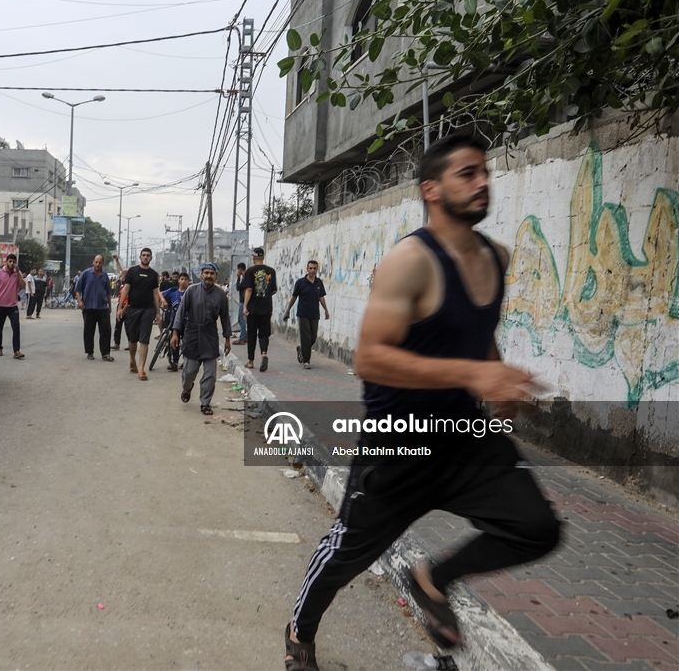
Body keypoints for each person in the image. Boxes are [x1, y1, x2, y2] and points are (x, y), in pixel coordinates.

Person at [285, 132, 560, 670]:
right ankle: (300, 630)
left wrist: (498, 382)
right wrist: (475, 373)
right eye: (468, 174)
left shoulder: (495, 257)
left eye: (485, 173)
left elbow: (476, 333)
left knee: (536, 526)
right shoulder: (409, 261)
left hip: (464, 438)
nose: (483, 183)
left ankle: (434, 577)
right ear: (430, 189)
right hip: (399, 443)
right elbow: (371, 359)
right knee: (347, 552)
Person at [171, 263, 231, 415]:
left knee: (210, 374)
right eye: (206, 273)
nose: (209, 276)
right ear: (201, 274)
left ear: (216, 276)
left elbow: (225, 318)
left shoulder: (220, 295)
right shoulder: (191, 290)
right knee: (189, 371)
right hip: (192, 332)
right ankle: (187, 387)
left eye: (212, 273)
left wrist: (227, 339)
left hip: (210, 334)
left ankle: (205, 403)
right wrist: (175, 333)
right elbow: (181, 312)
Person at [117, 248, 167, 380]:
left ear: (151, 258)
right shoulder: (132, 272)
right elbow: (126, 289)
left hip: (148, 310)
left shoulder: (153, 275)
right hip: (133, 309)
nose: (145, 257)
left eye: (148, 256)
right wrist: (120, 307)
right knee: (133, 339)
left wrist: (157, 312)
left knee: (144, 339)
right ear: (140, 257)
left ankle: (141, 369)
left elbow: (155, 293)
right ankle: (132, 359)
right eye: (143, 255)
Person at [282, 260, 330, 370]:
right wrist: (287, 310)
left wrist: (326, 310)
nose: (312, 270)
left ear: (317, 270)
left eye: (314, 268)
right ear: (307, 269)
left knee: (313, 337)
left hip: (314, 314)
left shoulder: (319, 283)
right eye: (310, 268)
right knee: (306, 337)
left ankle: (301, 350)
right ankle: (306, 361)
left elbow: (321, 297)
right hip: (303, 313)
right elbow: (294, 297)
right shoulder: (300, 282)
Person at [240, 247, 277, 372]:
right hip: (266, 307)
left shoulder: (250, 271)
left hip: (253, 308)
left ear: (254, 258)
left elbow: (249, 289)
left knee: (251, 334)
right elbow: (274, 290)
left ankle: (250, 361)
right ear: (263, 257)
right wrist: (265, 296)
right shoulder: (271, 271)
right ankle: (264, 353)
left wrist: (245, 306)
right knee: (264, 333)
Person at [74, 255, 115, 362]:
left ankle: (105, 353)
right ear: (93, 262)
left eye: (100, 262)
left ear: (103, 263)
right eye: (96, 262)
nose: (98, 264)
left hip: (102, 308)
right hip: (89, 307)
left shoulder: (105, 275)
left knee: (106, 331)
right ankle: (89, 352)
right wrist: (80, 301)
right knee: (89, 330)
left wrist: (109, 306)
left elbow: (108, 293)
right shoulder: (86, 274)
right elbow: (77, 289)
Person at [0, 253, 26, 359]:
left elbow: (22, 285)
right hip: (0, 305)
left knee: (16, 326)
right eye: (10, 261)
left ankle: (16, 351)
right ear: (6, 262)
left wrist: (18, 273)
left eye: (14, 262)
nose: (12, 264)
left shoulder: (17, 273)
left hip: (12, 306)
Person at [159, 271, 191, 371]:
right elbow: (160, 293)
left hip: (187, 321)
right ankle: (175, 362)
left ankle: (185, 362)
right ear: (178, 281)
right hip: (175, 320)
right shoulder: (173, 291)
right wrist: (163, 301)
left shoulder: (191, 292)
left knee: (186, 342)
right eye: (182, 279)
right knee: (174, 341)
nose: (184, 281)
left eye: (186, 279)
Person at [233, 262, 248, 345]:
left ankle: (242, 338)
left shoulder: (245, 278)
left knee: (241, 319)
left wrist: (238, 277)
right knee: (243, 320)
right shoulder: (245, 277)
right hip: (244, 301)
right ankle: (245, 336)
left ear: (240, 269)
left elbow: (238, 287)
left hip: (244, 301)